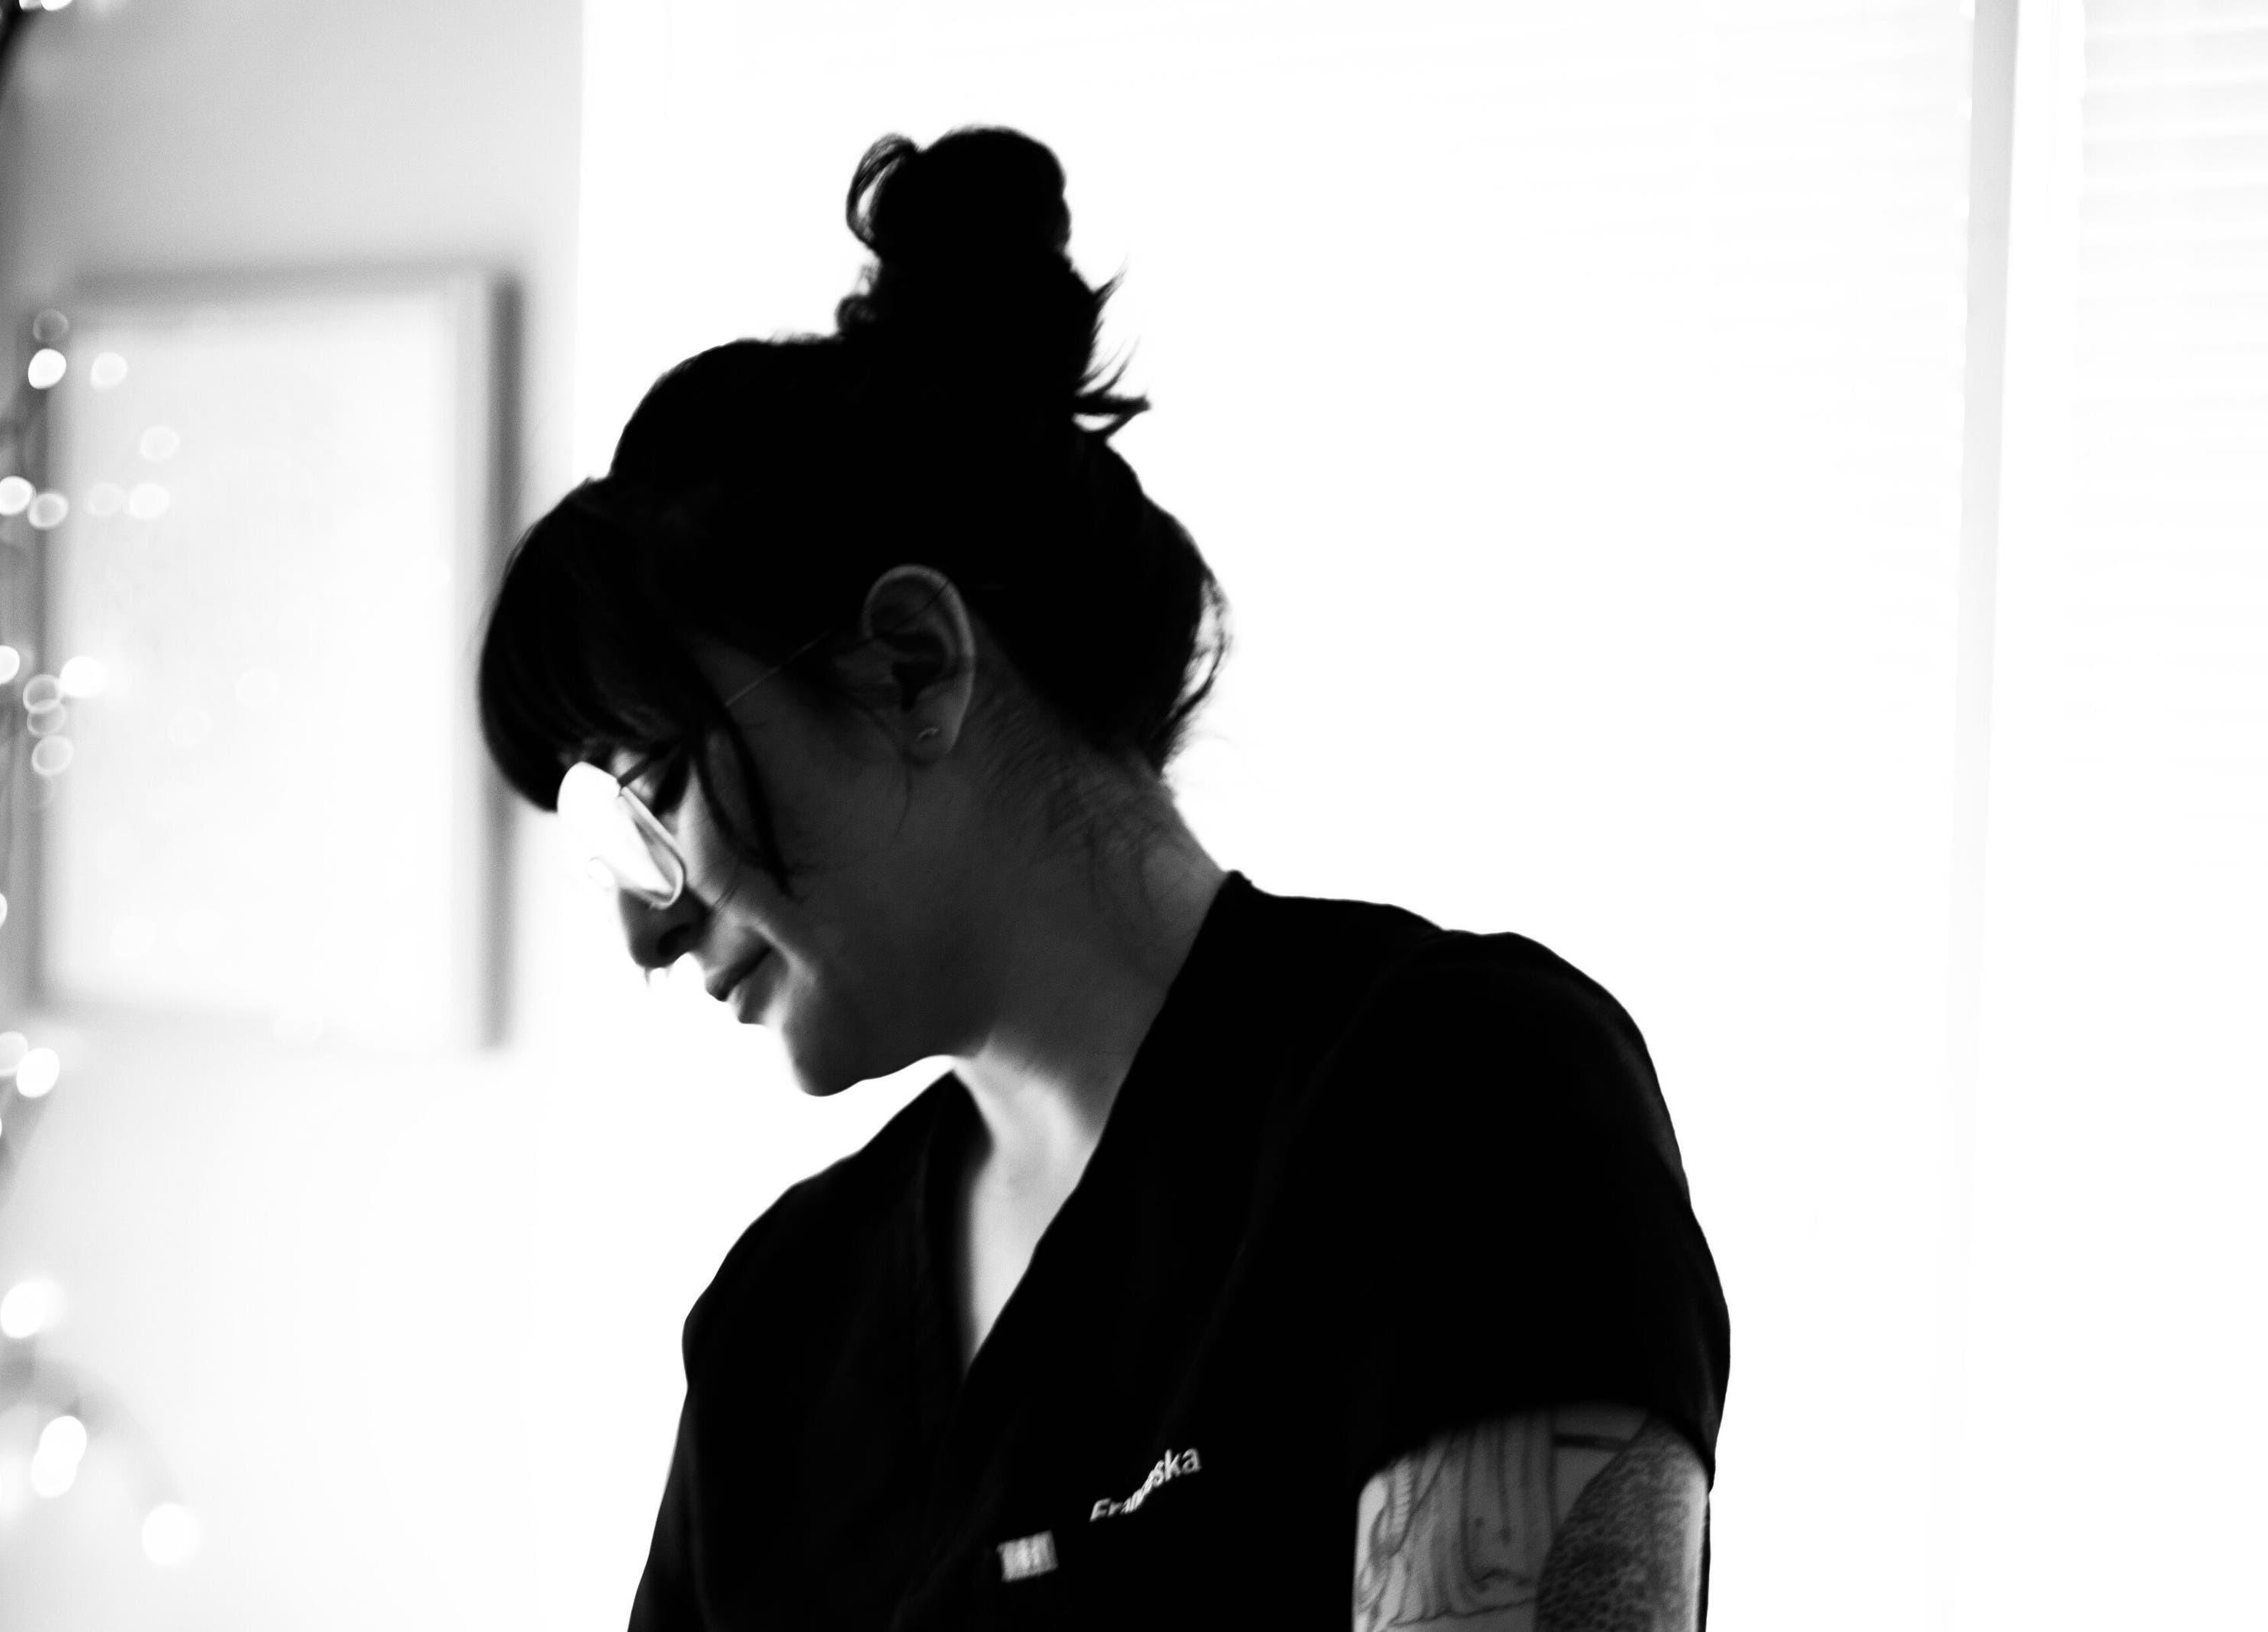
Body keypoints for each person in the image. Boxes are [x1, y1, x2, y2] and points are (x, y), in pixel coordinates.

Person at [477, 127, 1730, 1631]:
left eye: (651, 797)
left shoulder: (1454, 1096)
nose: (642, 922)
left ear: (915, 671)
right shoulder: (781, 1326)